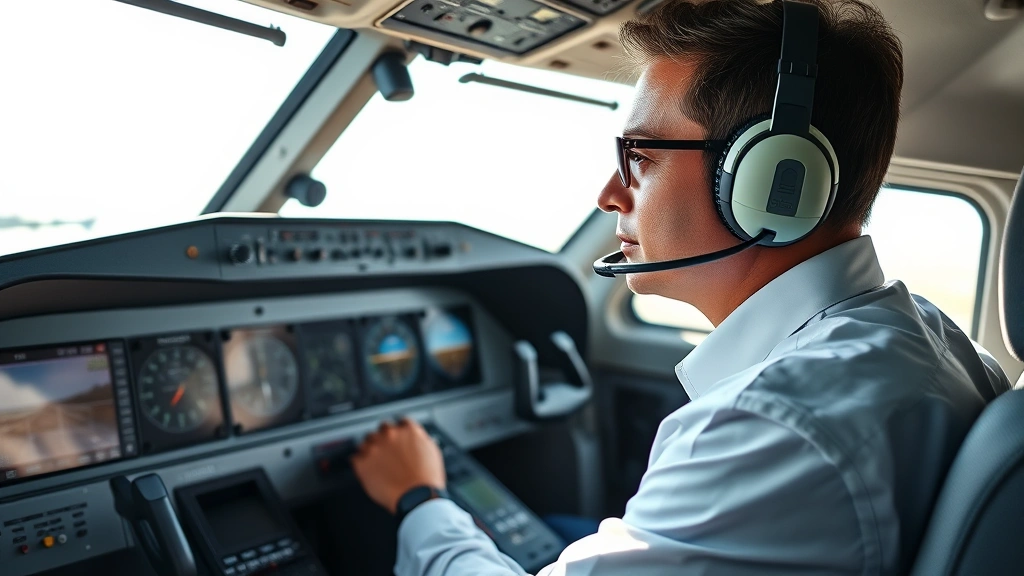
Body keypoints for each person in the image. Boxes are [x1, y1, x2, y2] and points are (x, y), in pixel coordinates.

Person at [350, 0, 1011, 574]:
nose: (609, 195)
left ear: (775, 183)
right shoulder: (935, 338)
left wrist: (421, 501)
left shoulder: (775, 425)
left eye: (641, 157)